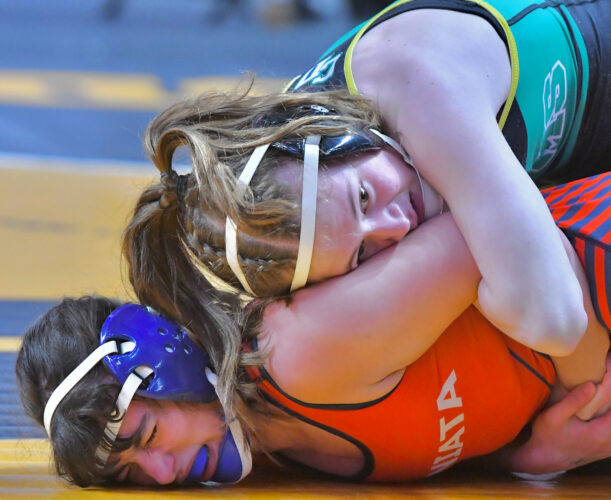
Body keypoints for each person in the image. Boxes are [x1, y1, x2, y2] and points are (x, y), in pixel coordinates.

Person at [17, 172, 611, 487]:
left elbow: (498, 236)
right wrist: (523, 458)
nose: (164, 474)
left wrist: (585, 384)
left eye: (147, 437)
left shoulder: (299, 352)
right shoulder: (271, 449)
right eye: (132, 475)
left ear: (162, 353)